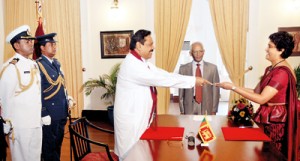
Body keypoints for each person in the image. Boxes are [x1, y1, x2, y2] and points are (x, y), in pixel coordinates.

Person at [114, 29, 212, 160]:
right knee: (131, 154)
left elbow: (164, 74)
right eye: (150, 44)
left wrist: (193, 80)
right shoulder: (132, 65)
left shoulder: (142, 63)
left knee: (142, 151)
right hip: (132, 120)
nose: (153, 47)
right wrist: (193, 80)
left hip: (140, 118)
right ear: (139, 46)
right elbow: (162, 80)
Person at [216, 31, 298, 161]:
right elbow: (256, 92)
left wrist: (233, 87)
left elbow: (261, 99)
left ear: (281, 50)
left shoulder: (281, 72)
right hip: (268, 117)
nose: (266, 49)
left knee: (272, 155)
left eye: (270, 46)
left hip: (276, 121)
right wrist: (231, 85)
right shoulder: (271, 69)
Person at [0, 25, 43, 161]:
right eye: (27, 41)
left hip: (35, 122)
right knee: (21, 158)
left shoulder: (33, 64)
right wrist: (7, 123)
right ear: (17, 45)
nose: (31, 44)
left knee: (35, 157)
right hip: (20, 125)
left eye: (31, 41)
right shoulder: (11, 67)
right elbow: (4, 97)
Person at [35, 33, 69, 161]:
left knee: (57, 143)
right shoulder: (38, 65)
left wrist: (67, 99)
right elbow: (38, 92)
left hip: (61, 111)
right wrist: (43, 112)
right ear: (42, 48)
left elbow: (60, 85)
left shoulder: (56, 63)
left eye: (55, 44)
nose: (54, 47)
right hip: (50, 113)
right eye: (51, 45)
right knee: (49, 146)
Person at [179, 42, 220, 115]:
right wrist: (182, 109)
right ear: (191, 53)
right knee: (190, 126)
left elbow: (216, 90)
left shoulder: (212, 68)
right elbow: (181, 91)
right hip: (189, 105)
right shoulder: (183, 69)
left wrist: (214, 109)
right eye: (195, 52)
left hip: (207, 105)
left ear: (203, 52)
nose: (198, 54)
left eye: (200, 51)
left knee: (205, 126)